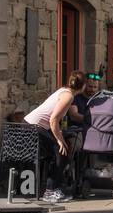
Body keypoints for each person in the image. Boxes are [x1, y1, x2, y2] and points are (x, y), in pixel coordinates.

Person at [24, 71, 86, 204]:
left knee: (61, 149)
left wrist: (59, 137)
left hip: (30, 127)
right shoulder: (68, 96)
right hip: (34, 129)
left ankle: (53, 187)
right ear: (83, 86)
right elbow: (53, 120)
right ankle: (50, 191)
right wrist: (59, 140)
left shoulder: (64, 91)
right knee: (62, 152)